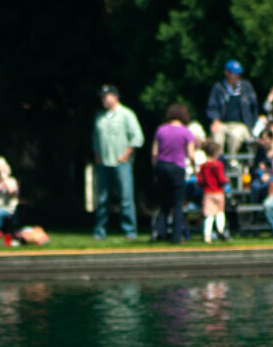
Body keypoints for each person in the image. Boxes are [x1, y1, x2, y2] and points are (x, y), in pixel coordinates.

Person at [92, 84, 144, 240]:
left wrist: (126, 154)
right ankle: (100, 230)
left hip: (121, 163)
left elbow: (137, 137)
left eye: (105, 96)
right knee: (102, 199)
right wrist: (96, 154)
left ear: (114, 97)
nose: (103, 100)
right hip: (103, 162)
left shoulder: (126, 114)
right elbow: (95, 139)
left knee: (125, 198)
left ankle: (130, 230)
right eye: (101, 97)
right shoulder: (99, 117)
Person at [151, 103, 196, 243]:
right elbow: (191, 154)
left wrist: (155, 168)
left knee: (164, 203)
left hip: (162, 166)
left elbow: (154, 153)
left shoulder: (161, 130)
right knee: (177, 204)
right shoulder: (186, 132)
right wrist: (195, 168)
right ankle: (176, 236)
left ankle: (160, 233)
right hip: (177, 168)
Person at [206, 60, 259, 156]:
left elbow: (253, 107)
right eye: (235, 74)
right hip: (223, 123)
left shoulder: (246, 87)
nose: (238, 77)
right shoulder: (219, 88)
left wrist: (252, 125)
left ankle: (232, 160)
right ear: (227, 73)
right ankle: (219, 160)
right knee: (217, 135)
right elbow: (212, 107)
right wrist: (215, 120)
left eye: (239, 74)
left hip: (241, 125)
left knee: (235, 136)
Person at [197, 140, 228, 243]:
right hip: (218, 192)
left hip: (207, 193)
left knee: (209, 215)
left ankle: (207, 235)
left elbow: (200, 180)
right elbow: (221, 179)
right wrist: (226, 180)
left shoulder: (203, 166)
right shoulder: (218, 165)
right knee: (220, 212)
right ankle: (221, 231)